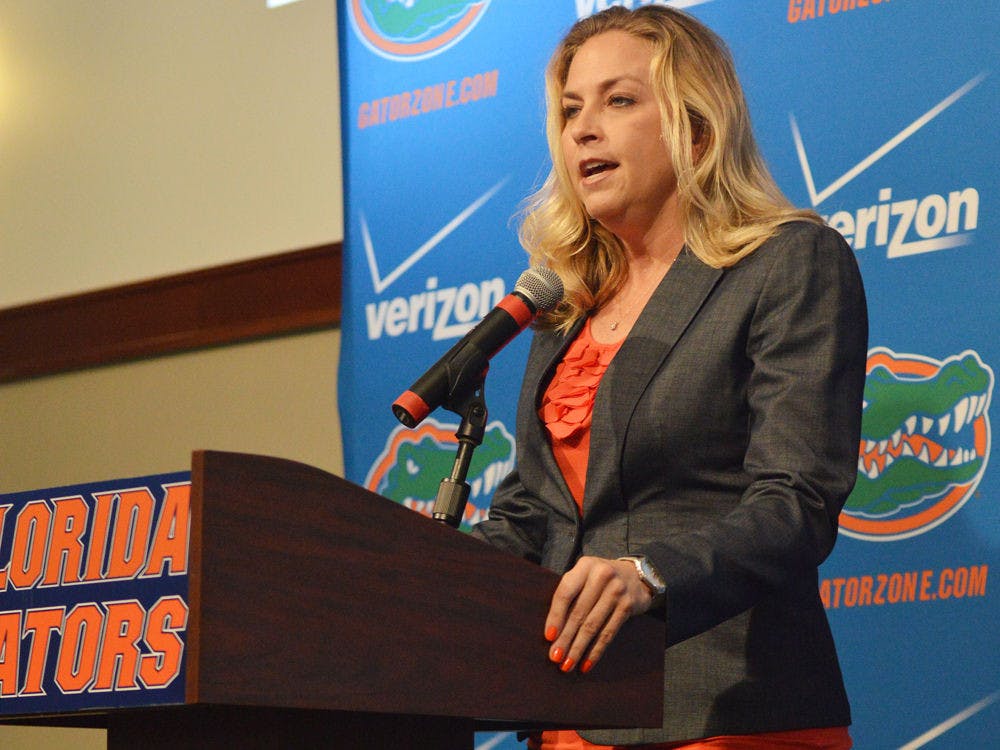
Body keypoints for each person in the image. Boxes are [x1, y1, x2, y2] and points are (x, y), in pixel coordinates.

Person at [469, 6, 868, 750]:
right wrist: (411, 577)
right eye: (569, 110)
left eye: (619, 101)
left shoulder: (786, 262)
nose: (583, 129)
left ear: (698, 127)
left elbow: (797, 500)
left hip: (723, 711)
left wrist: (651, 575)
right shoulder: (567, 304)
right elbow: (534, 513)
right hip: (569, 710)